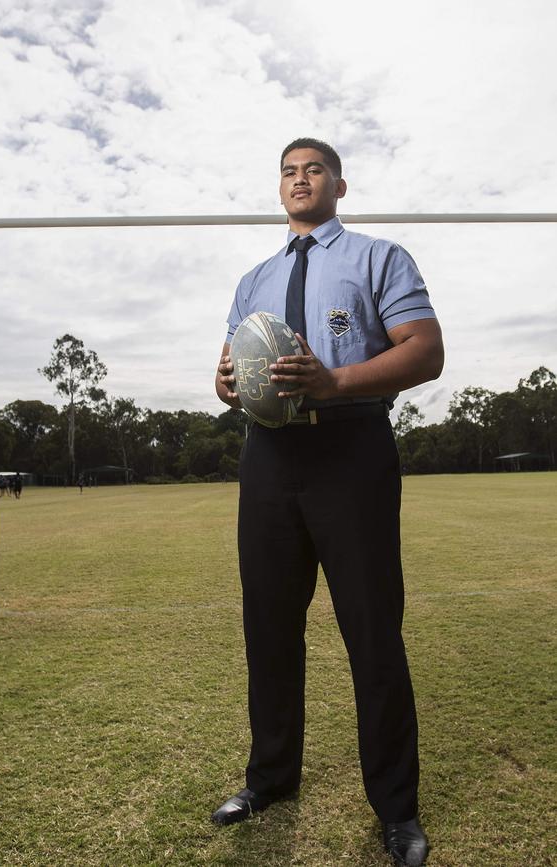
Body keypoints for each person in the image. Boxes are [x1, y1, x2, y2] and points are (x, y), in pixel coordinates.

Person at [213, 138, 444, 867]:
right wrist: (225, 383)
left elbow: (426, 350)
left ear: (338, 184)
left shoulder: (378, 257)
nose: (299, 179)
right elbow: (232, 369)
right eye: (287, 171)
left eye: (313, 169)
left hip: (351, 448)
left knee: (373, 632)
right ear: (278, 188)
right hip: (269, 457)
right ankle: (270, 780)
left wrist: (335, 383)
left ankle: (397, 809)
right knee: (269, 628)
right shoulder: (253, 279)